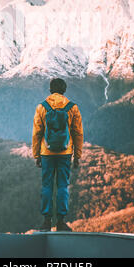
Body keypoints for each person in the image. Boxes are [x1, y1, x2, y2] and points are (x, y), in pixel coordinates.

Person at [32, 78, 83, 232]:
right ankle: (61, 221)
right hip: (65, 153)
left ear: (50, 90)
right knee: (62, 186)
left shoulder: (42, 107)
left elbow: (37, 133)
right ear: (64, 90)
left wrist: (37, 155)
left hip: (46, 153)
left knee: (47, 186)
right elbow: (78, 133)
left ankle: (46, 221)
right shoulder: (72, 108)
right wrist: (77, 156)